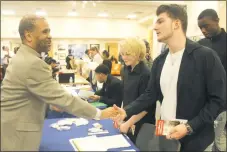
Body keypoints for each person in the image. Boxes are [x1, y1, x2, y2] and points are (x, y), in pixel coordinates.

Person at [112, 4, 226, 151]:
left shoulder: (205, 56)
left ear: (176, 23)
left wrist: (190, 126)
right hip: (165, 132)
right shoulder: (160, 61)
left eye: (160, 21)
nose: (154, 27)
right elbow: (150, 94)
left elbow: (218, 99)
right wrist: (126, 110)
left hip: (196, 138)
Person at [0, 15, 118, 151]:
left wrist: (50, 103)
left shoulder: (23, 57)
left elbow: (25, 94)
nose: (50, 36)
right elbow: (64, 99)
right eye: (45, 31)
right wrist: (99, 114)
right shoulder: (32, 63)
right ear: (28, 36)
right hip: (17, 138)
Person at [197, 9, 226, 152]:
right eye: (200, 27)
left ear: (216, 20)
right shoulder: (200, 45)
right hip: (202, 104)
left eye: (206, 26)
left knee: (220, 142)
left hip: (222, 104)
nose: (203, 30)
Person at [117, 37, 156, 143]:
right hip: (128, 118)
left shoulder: (146, 74)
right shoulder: (124, 69)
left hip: (142, 123)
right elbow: (126, 96)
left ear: (138, 53)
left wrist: (128, 123)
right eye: (122, 54)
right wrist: (121, 115)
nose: (124, 57)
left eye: (128, 54)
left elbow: (147, 106)